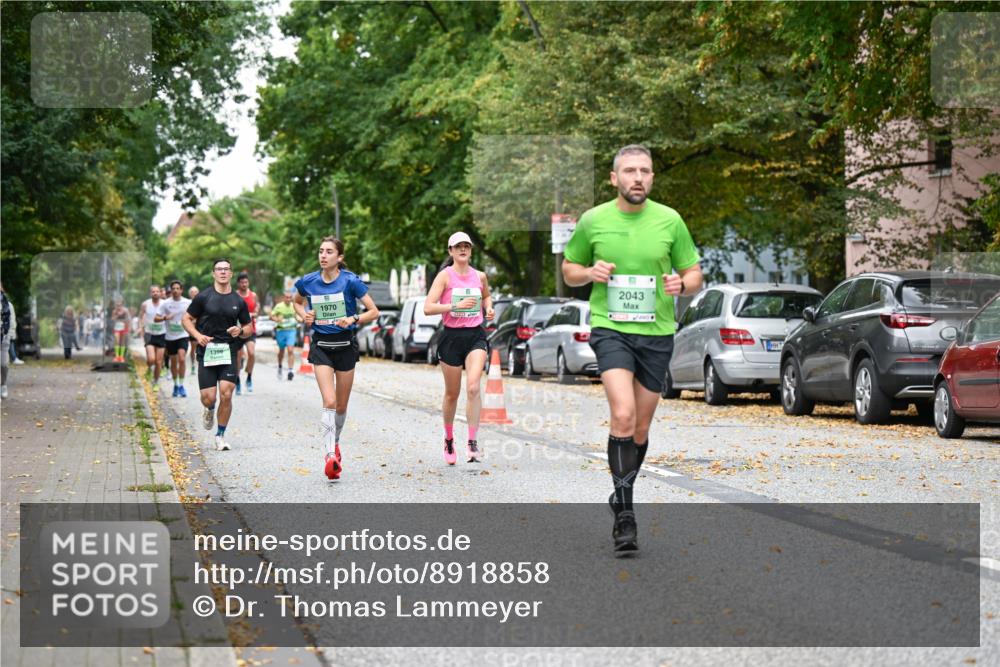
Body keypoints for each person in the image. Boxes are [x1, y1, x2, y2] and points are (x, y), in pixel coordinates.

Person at [562, 144, 703, 554]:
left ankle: (619, 494)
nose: (637, 177)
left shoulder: (669, 221)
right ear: (614, 178)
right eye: (629, 171)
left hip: (657, 333)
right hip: (612, 330)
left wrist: (683, 285)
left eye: (644, 170)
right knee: (621, 415)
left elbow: (692, 272)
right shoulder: (594, 221)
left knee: (640, 428)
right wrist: (589, 272)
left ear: (652, 178)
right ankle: (625, 515)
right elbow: (570, 271)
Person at [293, 237, 378, 480]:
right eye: (321, 251)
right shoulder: (308, 281)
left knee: (341, 405)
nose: (323, 255)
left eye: (329, 252)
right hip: (321, 345)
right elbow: (296, 302)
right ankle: (330, 454)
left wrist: (353, 319)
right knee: (328, 401)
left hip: (345, 346)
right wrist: (304, 315)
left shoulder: (350, 281)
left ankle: (336, 441)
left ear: (339, 257)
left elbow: (374, 311)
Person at [423, 232, 495, 465]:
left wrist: (489, 308)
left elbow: (486, 297)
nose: (462, 249)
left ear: (471, 250)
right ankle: (449, 437)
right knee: (452, 393)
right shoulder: (445, 277)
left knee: (473, 387)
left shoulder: (480, 276)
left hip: (475, 335)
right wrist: (453, 305)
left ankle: (472, 441)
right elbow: (427, 307)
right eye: (458, 246)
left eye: (466, 246)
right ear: (451, 251)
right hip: (451, 337)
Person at [182, 258, 252, 451]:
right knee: (209, 397)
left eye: (226, 269)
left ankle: (220, 435)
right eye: (219, 269)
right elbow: (186, 319)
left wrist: (241, 331)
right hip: (207, 351)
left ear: (231, 273)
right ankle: (209, 409)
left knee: (227, 394)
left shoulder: (238, 301)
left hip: (229, 351)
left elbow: (248, 327)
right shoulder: (203, 297)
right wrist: (197, 335)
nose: (222, 272)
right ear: (213, 273)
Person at [162, 280, 192, 397]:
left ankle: (181, 385)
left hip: (183, 335)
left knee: (182, 359)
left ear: (181, 290)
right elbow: (157, 318)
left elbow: (194, 317)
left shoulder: (187, 302)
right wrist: (166, 317)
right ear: (171, 290)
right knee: (173, 362)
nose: (175, 290)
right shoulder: (165, 303)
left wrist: (189, 323)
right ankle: (175, 385)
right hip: (170, 337)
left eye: (177, 288)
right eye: (173, 288)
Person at [234, 272, 260, 395]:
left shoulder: (253, 295)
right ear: (238, 283)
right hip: (238, 331)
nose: (244, 284)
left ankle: (249, 377)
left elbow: (256, 311)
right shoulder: (234, 295)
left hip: (250, 329)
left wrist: (251, 314)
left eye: (246, 282)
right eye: (242, 282)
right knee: (238, 357)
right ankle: (237, 380)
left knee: (252, 353)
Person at [138, 285, 167, 384]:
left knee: (159, 362)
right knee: (151, 359)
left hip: (162, 334)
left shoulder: (165, 304)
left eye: (157, 291)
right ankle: (149, 368)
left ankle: (155, 381)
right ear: (150, 293)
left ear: (160, 293)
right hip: (149, 334)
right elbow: (141, 316)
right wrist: (141, 328)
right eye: (153, 292)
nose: (155, 293)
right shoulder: (145, 304)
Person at [271, 291, 300, 380]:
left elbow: (297, 316)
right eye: (287, 297)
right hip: (281, 331)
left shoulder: (293, 306)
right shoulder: (279, 306)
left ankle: (290, 370)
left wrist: (299, 319)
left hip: (291, 330)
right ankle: (280, 366)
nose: (288, 299)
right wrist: (277, 319)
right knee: (281, 351)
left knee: (290, 350)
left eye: (290, 297)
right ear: (284, 298)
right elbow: (271, 316)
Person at [1, 283, 12, 399]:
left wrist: (8, 332)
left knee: (3, 364)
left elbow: (9, 319)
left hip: (3, 337)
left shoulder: (5, 302)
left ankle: (3, 384)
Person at [188, 286, 200, 375]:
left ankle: (201, 364)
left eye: (195, 292)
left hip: (201, 329)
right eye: (192, 292)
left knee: (201, 346)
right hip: (191, 329)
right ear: (189, 294)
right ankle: (192, 364)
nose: (194, 293)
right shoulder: (187, 303)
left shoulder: (201, 303)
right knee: (193, 348)